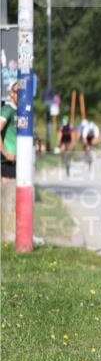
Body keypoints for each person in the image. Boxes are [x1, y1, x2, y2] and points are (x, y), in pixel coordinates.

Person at [1, 82, 17, 241]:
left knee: (12, 201)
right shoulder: (8, 110)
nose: (20, 95)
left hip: (17, 163)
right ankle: (8, 238)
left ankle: (9, 236)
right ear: (11, 93)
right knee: (8, 200)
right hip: (7, 163)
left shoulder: (19, 111)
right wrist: (6, 153)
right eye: (17, 92)